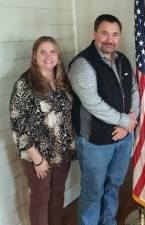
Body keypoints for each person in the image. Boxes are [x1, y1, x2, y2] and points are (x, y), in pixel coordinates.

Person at [68, 14, 139, 225]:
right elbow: (92, 103)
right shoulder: (82, 64)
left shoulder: (123, 60)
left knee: (114, 185)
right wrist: (125, 121)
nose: (110, 39)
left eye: (115, 34)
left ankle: (108, 221)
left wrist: (130, 122)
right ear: (94, 34)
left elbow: (134, 91)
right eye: (104, 33)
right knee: (93, 191)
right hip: (94, 142)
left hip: (123, 138)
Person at [9, 36, 75, 225]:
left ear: (58, 56)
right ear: (34, 56)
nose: (48, 56)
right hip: (37, 154)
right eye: (43, 51)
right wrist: (37, 159)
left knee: (57, 193)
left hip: (62, 151)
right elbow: (17, 123)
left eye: (52, 51)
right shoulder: (24, 84)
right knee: (40, 198)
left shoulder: (62, 81)